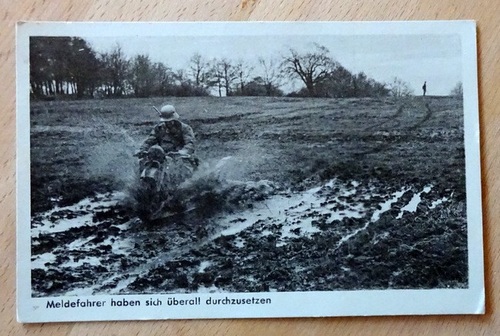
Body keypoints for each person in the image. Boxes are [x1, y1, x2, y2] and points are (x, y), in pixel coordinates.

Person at [137, 104, 197, 178]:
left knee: (186, 171)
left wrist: (181, 152)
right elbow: (149, 141)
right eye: (166, 121)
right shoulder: (159, 128)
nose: (168, 123)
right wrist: (142, 150)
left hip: (179, 156)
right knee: (144, 162)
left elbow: (190, 143)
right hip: (162, 156)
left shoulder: (185, 128)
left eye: (171, 121)